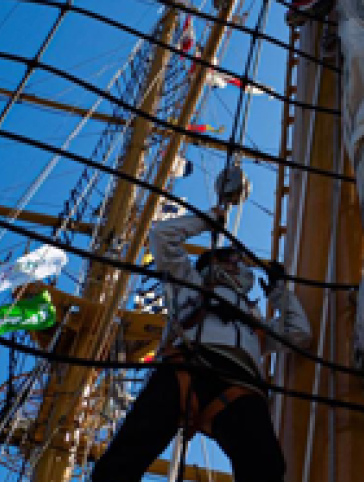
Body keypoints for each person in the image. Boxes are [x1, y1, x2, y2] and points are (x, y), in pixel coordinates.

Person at [90, 168, 311, 482]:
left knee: (268, 470)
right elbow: (161, 237)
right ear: (212, 265)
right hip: (186, 368)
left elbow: (300, 335)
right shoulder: (190, 283)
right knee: (122, 461)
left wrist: (280, 292)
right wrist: (208, 220)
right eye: (231, 260)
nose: (239, 266)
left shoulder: (254, 318)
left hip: (241, 385)